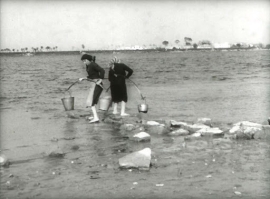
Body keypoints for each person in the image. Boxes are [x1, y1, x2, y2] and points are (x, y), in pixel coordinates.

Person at [79, 54, 105, 123]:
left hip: (97, 85)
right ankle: (95, 116)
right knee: (92, 101)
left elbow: (102, 70)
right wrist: (84, 78)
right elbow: (92, 76)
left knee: (91, 101)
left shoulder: (93, 64)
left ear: (88, 60)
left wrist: (100, 80)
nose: (84, 62)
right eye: (83, 61)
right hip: (93, 84)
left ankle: (96, 118)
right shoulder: (88, 65)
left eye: (84, 61)